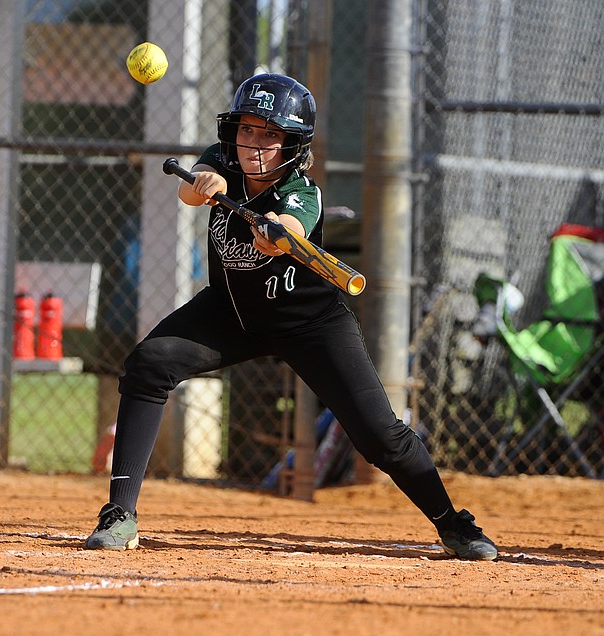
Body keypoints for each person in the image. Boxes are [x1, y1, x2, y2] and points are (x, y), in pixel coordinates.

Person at [85, 73, 498, 561]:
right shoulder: (222, 158)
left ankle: (452, 522)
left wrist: (278, 232)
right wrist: (207, 183)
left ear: (294, 145)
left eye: (270, 135)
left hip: (309, 323)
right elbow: (194, 190)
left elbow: (292, 223)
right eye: (248, 130)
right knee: (149, 364)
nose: (255, 145)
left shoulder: (302, 193)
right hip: (231, 311)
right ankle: (120, 514)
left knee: (380, 436)